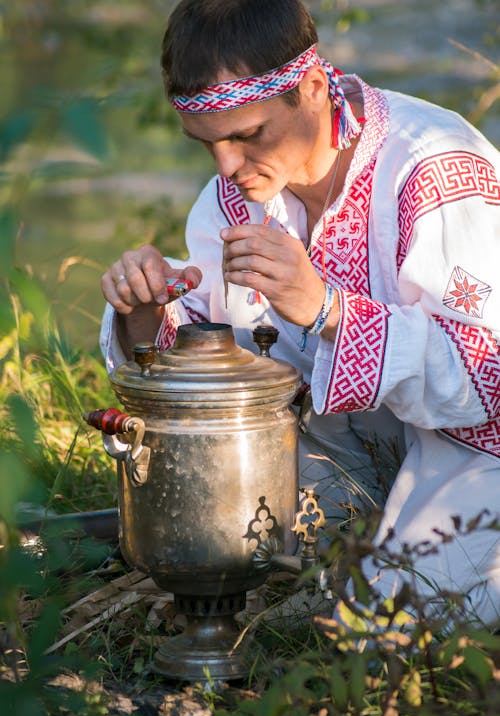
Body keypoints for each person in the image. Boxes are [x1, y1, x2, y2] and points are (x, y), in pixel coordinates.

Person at [100, 0, 500, 627]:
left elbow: (487, 383)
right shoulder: (234, 198)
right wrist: (144, 314)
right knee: (209, 533)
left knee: (383, 627)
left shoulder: (434, 169)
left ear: (312, 89)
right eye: (208, 143)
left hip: (476, 447)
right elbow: (214, 366)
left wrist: (327, 309)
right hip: (349, 438)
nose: (227, 167)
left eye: (248, 134)